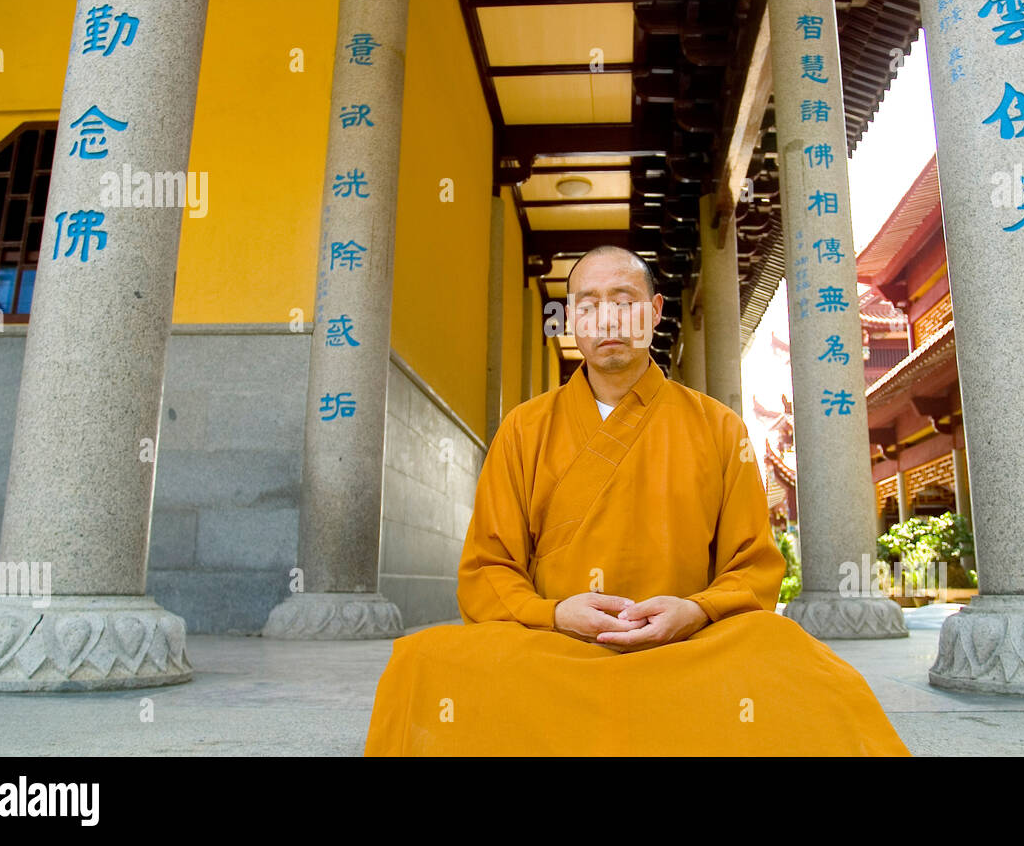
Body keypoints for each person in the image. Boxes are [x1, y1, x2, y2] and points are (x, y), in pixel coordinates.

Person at [363, 245, 910, 755]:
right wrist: (553, 613)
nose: (607, 319)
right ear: (571, 319)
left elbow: (752, 569)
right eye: (589, 304)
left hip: (685, 649)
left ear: (653, 312)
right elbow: (486, 570)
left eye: (624, 302)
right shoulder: (523, 429)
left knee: (785, 651)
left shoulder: (719, 428)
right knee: (425, 660)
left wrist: (694, 610)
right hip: (557, 648)